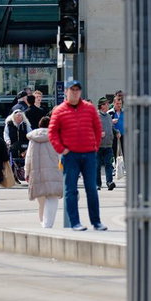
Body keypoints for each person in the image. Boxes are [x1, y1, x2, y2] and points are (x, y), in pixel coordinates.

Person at [48, 79, 106, 231]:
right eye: (72, 90)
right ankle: (75, 222)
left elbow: (97, 128)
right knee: (70, 189)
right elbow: (52, 132)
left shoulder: (89, 108)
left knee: (92, 189)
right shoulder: (59, 111)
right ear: (66, 91)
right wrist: (61, 149)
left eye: (77, 90)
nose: (74, 92)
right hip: (70, 155)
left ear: (80, 92)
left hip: (89, 154)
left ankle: (96, 221)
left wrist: (95, 146)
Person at [25, 124, 65, 227]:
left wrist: (26, 172)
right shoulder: (55, 137)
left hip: (37, 172)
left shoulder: (32, 139)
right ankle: (47, 224)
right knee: (52, 198)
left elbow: (28, 158)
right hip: (53, 172)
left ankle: (42, 221)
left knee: (41, 200)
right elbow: (60, 155)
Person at [3, 107, 30, 182]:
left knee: (24, 161)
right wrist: (8, 141)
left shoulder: (25, 124)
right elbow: (6, 133)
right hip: (13, 145)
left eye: (20, 116)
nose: (19, 117)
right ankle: (13, 176)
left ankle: (24, 175)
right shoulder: (9, 124)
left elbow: (29, 132)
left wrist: (29, 140)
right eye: (17, 116)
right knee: (12, 161)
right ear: (14, 117)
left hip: (23, 145)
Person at [96, 98, 118, 190]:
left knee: (109, 165)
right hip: (98, 146)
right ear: (101, 106)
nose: (108, 105)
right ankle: (97, 184)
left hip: (108, 146)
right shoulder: (96, 116)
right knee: (97, 166)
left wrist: (116, 132)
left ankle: (109, 182)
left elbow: (111, 128)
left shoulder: (109, 116)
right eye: (106, 104)